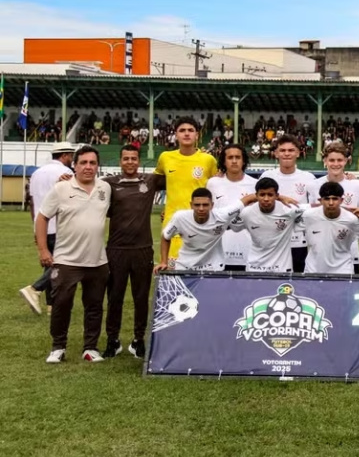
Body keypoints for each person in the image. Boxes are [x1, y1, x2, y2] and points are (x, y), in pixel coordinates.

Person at [36, 146, 111, 363]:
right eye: (83, 163)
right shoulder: (61, 188)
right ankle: (58, 347)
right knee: (61, 304)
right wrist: (43, 249)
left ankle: (90, 348)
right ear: (74, 166)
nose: (88, 167)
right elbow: (42, 218)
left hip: (97, 261)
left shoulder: (105, 188)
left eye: (92, 163)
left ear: (97, 166)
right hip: (66, 260)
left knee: (94, 306)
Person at [101, 144, 165, 359]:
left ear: (139, 161)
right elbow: (85, 184)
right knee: (114, 298)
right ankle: (113, 340)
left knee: (141, 298)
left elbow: (181, 179)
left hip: (142, 250)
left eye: (134, 158)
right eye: (126, 158)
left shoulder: (150, 181)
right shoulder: (108, 183)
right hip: (116, 250)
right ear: (120, 161)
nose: (130, 162)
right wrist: (66, 178)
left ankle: (138, 341)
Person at [153, 117, 218, 265]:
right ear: (176, 135)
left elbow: (217, 189)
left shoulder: (208, 160)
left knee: (200, 272)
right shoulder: (165, 158)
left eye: (190, 130)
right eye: (182, 130)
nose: (186, 133)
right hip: (173, 224)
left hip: (200, 224)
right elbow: (157, 182)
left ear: (197, 135)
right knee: (172, 270)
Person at [20, 142, 74, 314]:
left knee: (50, 265)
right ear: (65, 155)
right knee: (62, 264)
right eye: (71, 156)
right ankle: (34, 289)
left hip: (42, 226)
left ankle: (51, 305)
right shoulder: (66, 173)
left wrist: (36, 229)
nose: (72, 159)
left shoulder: (36, 174)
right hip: (60, 226)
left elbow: (32, 203)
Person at [155, 188, 252, 272]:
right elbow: (165, 237)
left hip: (213, 268)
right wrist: (164, 262)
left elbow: (247, 199)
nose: (201, 208)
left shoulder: (222, 215)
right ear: (191, 205)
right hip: (185, 267)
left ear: (212, 205)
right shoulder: (180, 218)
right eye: (197, 205)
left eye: (205, 205)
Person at [260, 135, 319, 272]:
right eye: (282, 150)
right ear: (276, 153)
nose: (287, 153)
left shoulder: (308, 178)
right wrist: (280, 198)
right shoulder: (267, 176)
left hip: (298, 241)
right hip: (272, 240)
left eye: (291, 150)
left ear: (298, 153)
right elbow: (258, 201)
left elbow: (315, 208)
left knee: (298, 280)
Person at [310, 142, 359, 273]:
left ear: (346, 161)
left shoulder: (357, 185)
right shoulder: (314, 185)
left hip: (349, 250)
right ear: (325, 161)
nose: (336, 164)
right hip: (320, 249)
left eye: (340, 160)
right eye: (331, 160)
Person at [231, 177, 306, 274]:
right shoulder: (246, 213)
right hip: (254, 268)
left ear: (277, 196)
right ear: (256, 196)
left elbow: (314, 208)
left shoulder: (288, 210)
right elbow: (232, 225)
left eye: (270, 195)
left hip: (282, 269)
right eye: (262, 195)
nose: (266, 199)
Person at [206, 144, 257, 271]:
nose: (234, 161)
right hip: (219, 250)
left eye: (238, 157)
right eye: (230, 157)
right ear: (224, 161)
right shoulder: (213, 183)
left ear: (244, 161)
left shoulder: (254, 184)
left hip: (248, 249)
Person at [302, 182, 359, 275]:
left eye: (335, 199)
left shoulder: (351, 220)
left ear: (341, 200)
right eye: (327, 199)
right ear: (320, 200)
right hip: (313, 270)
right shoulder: (308, 216)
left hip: (342, 270)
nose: (331, 203)